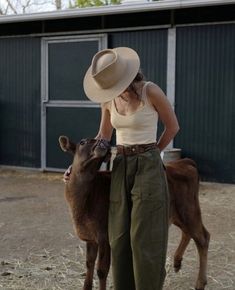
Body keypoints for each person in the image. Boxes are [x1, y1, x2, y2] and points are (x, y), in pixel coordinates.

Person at [66, 47, 180, 290]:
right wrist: (74, 166)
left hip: (147, 165)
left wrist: (153, 152)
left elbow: (173, 127)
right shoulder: (108, 99)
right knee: (118, 235)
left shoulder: (151, 91)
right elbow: (103, 137)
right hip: (121, 164)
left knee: (144, 236)